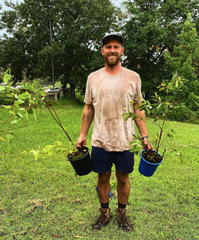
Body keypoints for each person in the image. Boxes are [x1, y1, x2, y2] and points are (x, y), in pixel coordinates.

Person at [76, 33, 152, 232]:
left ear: (122, 51)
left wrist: (144, 137)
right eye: (108, 47)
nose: (112, 50)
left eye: (116, 47)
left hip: (126, 140)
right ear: (102, 51)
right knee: (102, 178)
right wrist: (82, 135)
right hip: (100, 140)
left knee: (123, 178)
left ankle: (122, 213)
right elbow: (88, 108)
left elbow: (138, 108)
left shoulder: (133, 77)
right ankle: (104, 213)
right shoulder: (93, 78)